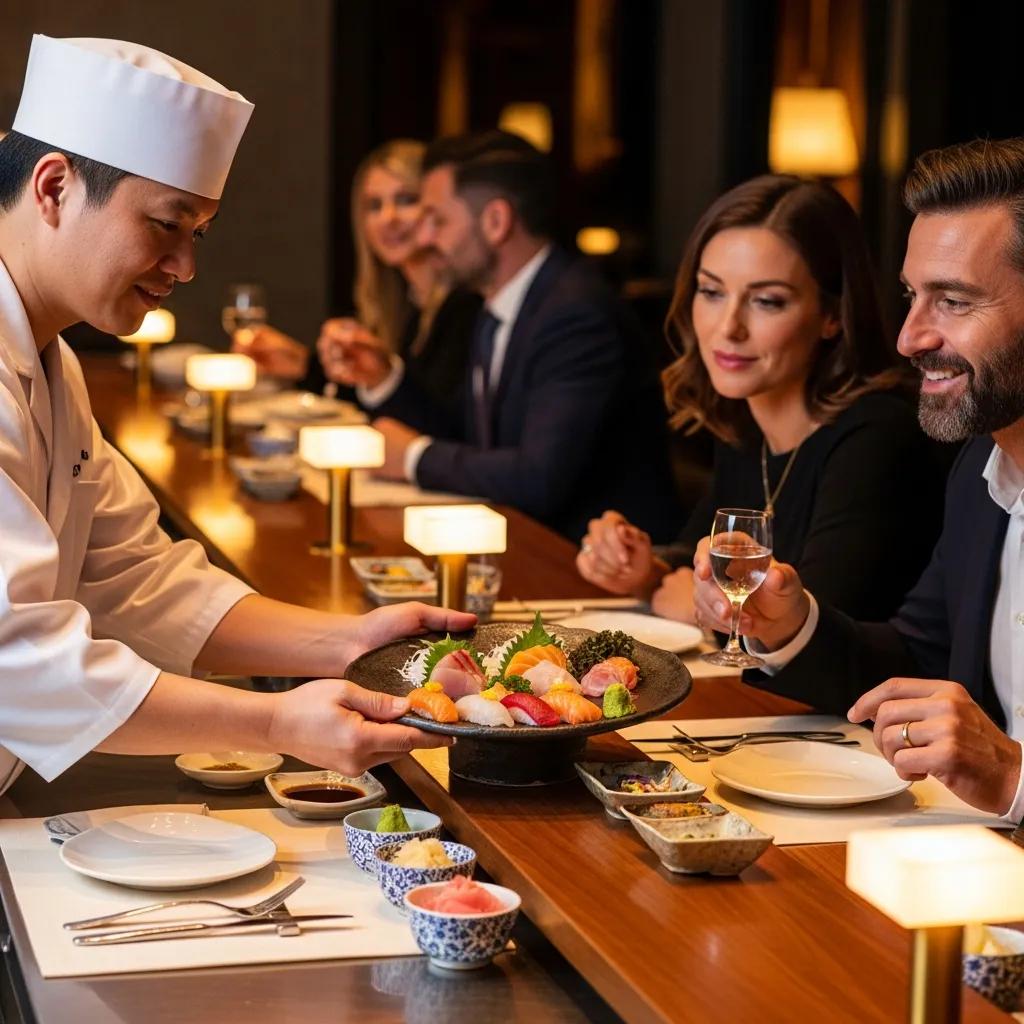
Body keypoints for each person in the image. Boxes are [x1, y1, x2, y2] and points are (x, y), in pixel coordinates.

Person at [0, 35, 469, 798]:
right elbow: (15, 661)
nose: (185, 268)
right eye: (165, 224)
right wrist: (277, 723)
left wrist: (351, 642)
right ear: (53, 187)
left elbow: (134, 575)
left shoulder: (57, 364)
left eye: (199, 235)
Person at [690, 137, 1024, 817]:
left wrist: (1015, 778)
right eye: (912, 296)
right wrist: (790, 626)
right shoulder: (979, 475)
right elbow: (913, 658)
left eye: (954, 302)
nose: (909, 337)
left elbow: (997, 765)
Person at [578, 176, 946, 625]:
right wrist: (641, 570)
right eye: (712, 292)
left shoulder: (878, 437)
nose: (728, 327)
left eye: (767, 301)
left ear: (832, 315)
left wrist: (701, 610)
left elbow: (822, 634)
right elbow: (695, 571)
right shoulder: (748, 422)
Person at [350, 130, 678, 541]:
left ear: (495, 222)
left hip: (587, 568)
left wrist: (415, 457)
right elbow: (465, 438)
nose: (426, 236)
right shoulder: (499, 303)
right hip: (523, 545)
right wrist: (384, 380)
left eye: (438, 220)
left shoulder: (576, 315)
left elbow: (538, 479)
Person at [232, 139, 479, 421]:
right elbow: (372, 405)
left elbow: (443, 428)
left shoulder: (467, 307)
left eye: (406, 200)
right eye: (374, 205)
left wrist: (383, 378)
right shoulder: (401, 303)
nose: (388, 218)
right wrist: (303, 364)